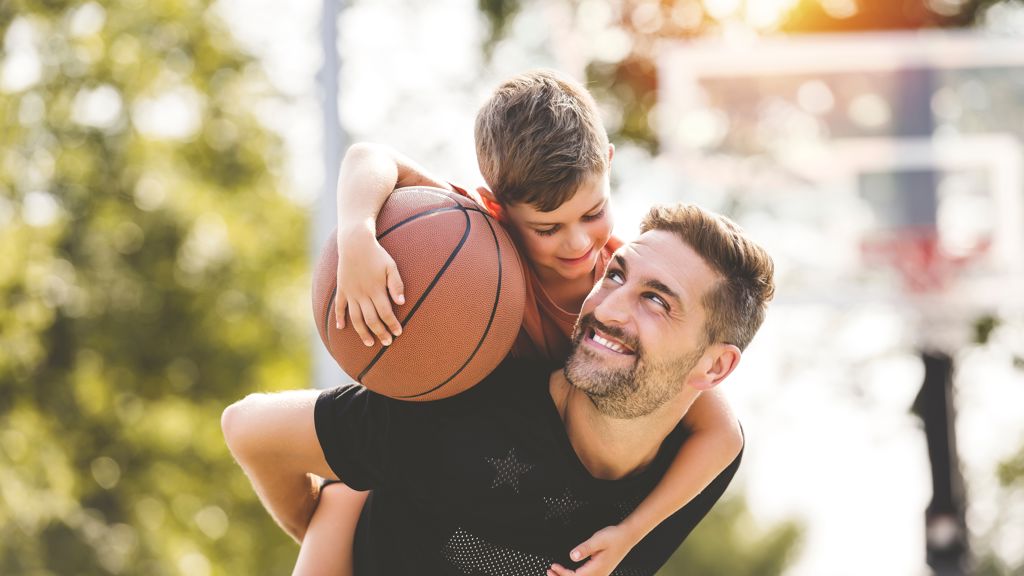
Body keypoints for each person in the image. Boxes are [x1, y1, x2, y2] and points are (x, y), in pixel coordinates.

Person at [306, 69, 743, 575]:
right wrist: (357, 235)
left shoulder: (623, 294)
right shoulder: (472, 251)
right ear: (497, 207)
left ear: (608, 164)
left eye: (593, 212)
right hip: (437, 454)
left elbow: (723, 436)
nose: (578, 242)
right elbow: (369, 158)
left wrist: (631, 533)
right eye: (547, 228)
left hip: (529, 484)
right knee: (347, 490)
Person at [222, 203, 775, 575]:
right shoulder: (458, 412)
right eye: (615, 274)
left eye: (656, 300)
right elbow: (247, 428)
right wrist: (319, 522)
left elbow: (722, 431)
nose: (609, 309)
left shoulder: (696, 465)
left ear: (715, 368)